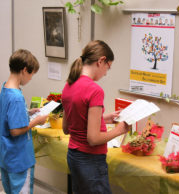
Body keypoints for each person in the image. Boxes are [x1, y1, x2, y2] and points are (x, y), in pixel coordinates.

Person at [62, 40, 130, 194]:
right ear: (101, 61)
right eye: (108, 67)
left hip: (74, 157)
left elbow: (67, 128)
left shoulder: (69, 84)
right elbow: (93, 139)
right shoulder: (94, 90)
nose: (106, 73)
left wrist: (104, 118)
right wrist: (119, 130)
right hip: (90, 161)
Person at [0, 49, 48, 194]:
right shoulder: (17, 97)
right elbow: (15, 131)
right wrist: (36, 121)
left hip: (6, 158)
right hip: (20, 160)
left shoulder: (5, 89)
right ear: (25, 70)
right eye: (31, 74)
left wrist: (26, 113)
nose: (30, 79)